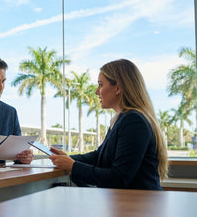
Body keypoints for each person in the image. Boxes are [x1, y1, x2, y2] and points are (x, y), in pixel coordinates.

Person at [49, 59, 168, 190]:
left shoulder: (134, 121)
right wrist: (67, 158)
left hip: (140, 205)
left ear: (117, 88)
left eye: (100, 85)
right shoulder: (122, 119)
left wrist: (73, 166)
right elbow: (98, 156)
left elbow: (119, 178)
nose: (96, 91)